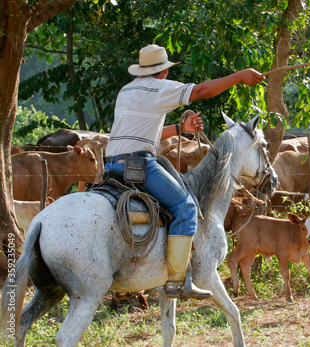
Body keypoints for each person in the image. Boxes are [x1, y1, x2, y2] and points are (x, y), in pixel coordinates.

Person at [104, 44, 265, 300]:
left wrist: (180, 129)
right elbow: (200, 90)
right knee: (186, 207)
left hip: (111, 166)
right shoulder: (157, 87)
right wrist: (239, 77)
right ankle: (178, 281)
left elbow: (145, 134)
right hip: (138, 165)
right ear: (163, 72)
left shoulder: (127, 90)